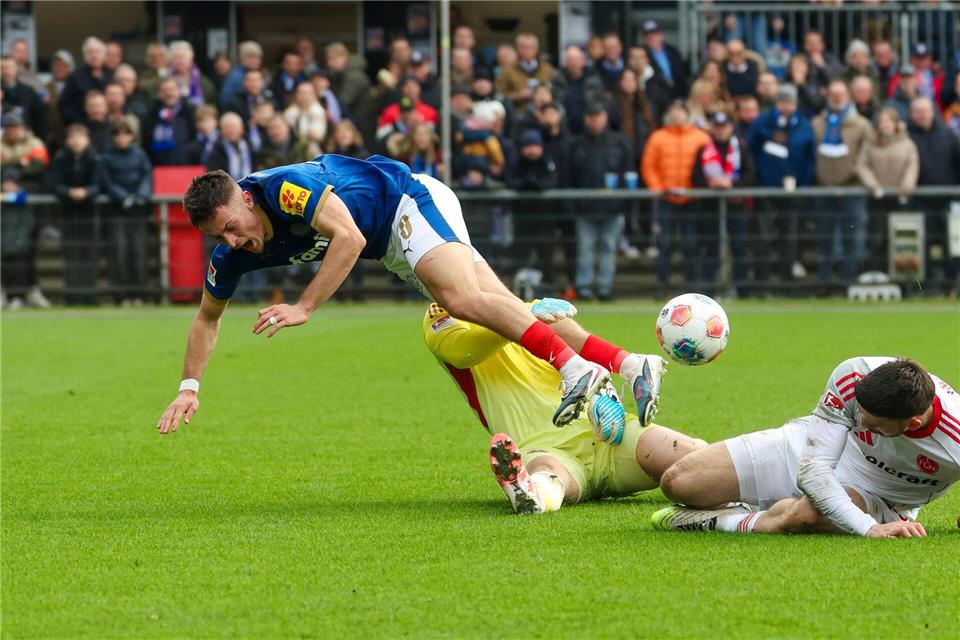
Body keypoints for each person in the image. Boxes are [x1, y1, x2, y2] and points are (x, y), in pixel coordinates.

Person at [156, 154, 667, 435]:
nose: (231, 242)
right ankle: (627, 364)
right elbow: (206, 318)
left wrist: (304, 306)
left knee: (463, 302)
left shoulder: (284, 189)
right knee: (505, 310)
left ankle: (574, 369)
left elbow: (349, 237)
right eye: (217, 238)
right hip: (394, 242)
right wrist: (189, 387)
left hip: (407, 200)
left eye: (231, 226)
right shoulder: (233, 255)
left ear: (245, 197)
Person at [422, 300, 698, 514]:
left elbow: (586, 355)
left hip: (610, 441)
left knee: (693, 455)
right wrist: (515, 319)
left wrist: (608, 395)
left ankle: (733, 478)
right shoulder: (440, 314)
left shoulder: (534, 308)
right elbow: (461, 351)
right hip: (543, 447)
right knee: (546, 476)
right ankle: (528, 495)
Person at [652, 357, 959, 538]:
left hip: (879, 497)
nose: (859, 422)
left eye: (873, 425)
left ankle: (724, 521)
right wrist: (867, 529)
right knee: (679, 482)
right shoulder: (855, 373)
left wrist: (870, 526)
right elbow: (813, 471)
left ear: (913, 424)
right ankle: (759, 504)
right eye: (859, 412)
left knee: (806, 515)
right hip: (814, 448)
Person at [747, 84, 816, 284]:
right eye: (783, 101)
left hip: (793, 192)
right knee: (764, 236)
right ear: (777, 103)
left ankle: (787, 281)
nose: (787, 106)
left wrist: (801, 183)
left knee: (790, 237)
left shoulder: (804, 126)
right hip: (766, 190)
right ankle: (763, 280)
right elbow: (751, 152)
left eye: (791, 102)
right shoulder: (763, 123)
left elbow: (810, 159)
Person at [641, 100, 711, 291]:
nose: (677, 115)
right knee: (665, 244)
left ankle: (691, 285)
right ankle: (662, 285)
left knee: (691, 243)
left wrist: (700, 188)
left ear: (687, 114)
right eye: (673, 111)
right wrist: (658, 188)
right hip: (667, 199)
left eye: (680, 111)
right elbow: (649, 165)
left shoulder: (701, 137)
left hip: (692, 199)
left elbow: (709, 163)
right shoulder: (658, 137)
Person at [568, 103, 633, 301]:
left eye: (598, 115)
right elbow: (569, 176)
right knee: (585, 249)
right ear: (586, 118)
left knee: (608, 248)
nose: (595, 120)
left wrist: (624, 203)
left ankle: (605, 288)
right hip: (585, 208)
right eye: (591, 115)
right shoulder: (576, 144)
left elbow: (628, 174)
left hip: (612, 208)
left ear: (605, 117)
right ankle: (584, 288)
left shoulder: (619, 142)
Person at [812, 79, 871, 285]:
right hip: (824, 189)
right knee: (824, 237)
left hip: (851, 189)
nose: (837, 98)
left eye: (841, 94)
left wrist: (854, 172)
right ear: (827, 96)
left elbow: (866, 155)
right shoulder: (817, 123)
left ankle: (849, 281)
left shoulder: (861, 124)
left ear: (848, 97)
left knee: (851, 238)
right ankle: (825, 282)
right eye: (833, 94)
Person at [692, 111, 755, 296]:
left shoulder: (741, 148)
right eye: (717, 127)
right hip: (711, 206)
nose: (721, 131)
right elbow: (696, 177)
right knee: (711, 248)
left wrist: (731, 184)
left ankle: (742, 290)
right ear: (713, 128)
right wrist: (711, 184)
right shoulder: (704, 150)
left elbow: (750, 174)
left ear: (730, 127)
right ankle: (710, 291)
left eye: (724, 126)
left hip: (736, 205)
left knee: (739, 247)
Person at [907, 97, 960, 295]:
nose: (922, 115)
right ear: (912, 115)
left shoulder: (947, 134)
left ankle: (951, 285)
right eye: (918, 111)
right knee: (923, 246)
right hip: (921, 200)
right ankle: (928, 287)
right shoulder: (908, 135)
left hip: (947, 200)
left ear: (932, 112)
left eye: (925, 111)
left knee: (951, 246)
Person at [855, 108, 919, 273]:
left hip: (900, 199)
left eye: (889, 121)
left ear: (897, 124)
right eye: (882, 122)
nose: (885, 125)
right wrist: (873, 186)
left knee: (900, 240)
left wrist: (906, 188)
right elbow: (862, 166)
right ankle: (878, 275)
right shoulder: (870, 143)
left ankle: (902, 280)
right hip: (877, 199)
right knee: (876, 240)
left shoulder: (907, 143)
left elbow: (912, 166)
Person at [100, 117, 153, 305]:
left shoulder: (139, 155)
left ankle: (138, 294)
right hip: (117, 210)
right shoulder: (107, 157)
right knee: (119, 253)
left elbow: (147, 176)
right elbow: (106, 182)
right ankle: (121, 295)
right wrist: (123, 197)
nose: (122, 138)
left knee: (138, 253)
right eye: (118, 134)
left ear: (132, 136)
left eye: (126, 134)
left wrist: (140, 195)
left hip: (137, 211)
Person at [50, 124, 101, 306]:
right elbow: (55, 183)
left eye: (80, 137)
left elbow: (98, 183)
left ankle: (89, 296)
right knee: (71, 255)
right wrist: (69, 192)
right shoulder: (61, 158)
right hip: (69, 213)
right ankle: (72, 296)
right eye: (73, 137)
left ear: (87, 140)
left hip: (88, 212)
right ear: (67, 140)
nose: (77, 141)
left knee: (88, 255)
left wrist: (86, 192)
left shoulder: (94, 158)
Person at [496, 33, 557, 113]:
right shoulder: (508, 70)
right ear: (518, 49)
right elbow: (499, 95)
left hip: (544, 115)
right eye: (523, 47)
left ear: (537, 49)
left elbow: (557, 91)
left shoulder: (547, 69)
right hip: (518, 115)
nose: (527, 50)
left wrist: (545, 93)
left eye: (531, 47)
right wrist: (520, 95)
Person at [59, 37, 113, 125]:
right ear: (84, 56)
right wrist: (79, 123)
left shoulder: (112, 76)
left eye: (97, 52)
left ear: (104, 56)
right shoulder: (75, 77)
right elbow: (64, 105)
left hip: (108, 127)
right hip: (82, 128)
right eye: (90, 52)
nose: (94, 56)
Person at [143, 77, 196, 166]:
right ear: (159, 94)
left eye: (172, 89)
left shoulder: (190, 112)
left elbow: (195, 140)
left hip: (186, 166)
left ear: (179, 91)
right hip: (159, 167)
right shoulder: (151, 115)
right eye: (165, 90)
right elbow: (147, 142)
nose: (169, 93)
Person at [557, 45, 604, 137]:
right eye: (570, 60)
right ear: (565, 62)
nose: (573, 63)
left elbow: (600, 103)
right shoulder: (557, 81)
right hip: (564, 129)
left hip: (588, 129)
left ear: (583, 61)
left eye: (576, 59)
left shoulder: (594, 80)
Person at [1, 56, 45, 140]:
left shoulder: (28, 91)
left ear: (16, 69)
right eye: (3, 68)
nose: (6, 71)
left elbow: (38, 119)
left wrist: (39, 139)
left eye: (9, 67)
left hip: (25, 138)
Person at [643, 20, 689, 99]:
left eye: (654, 33)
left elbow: (682, 74)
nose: (651, 37)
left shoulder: (673, 51)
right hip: (656, 96)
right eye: (648, 35)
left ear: (661, 35)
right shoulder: (643, 54)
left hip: (677, 94)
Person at [283, 82, 328, 156]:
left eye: (306, 93)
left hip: (313, 152)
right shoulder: (290, 112)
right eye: (300, 93)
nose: (304, 96)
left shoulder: (318, 111)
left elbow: (318, 136)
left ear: (314, 95)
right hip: (292, 151)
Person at [205, 112, 253, 179]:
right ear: (221, 131)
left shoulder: (252, 148)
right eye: (227, 127)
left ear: (242, 129)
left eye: (234, 127)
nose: (231, 131)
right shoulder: (215, 152)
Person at [168, 41, 216, 108]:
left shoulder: (204, 83)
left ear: (191, 60)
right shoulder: (164, 81)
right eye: (176, 58)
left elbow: (211, 106)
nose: (180, 61)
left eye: (183, 57)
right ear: (171, 60)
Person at [219, 41, 263, 108]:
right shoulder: (236, 76)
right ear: (242, 58)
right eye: (250, 57)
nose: (254, 60)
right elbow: (225, 100)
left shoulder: (257, 73)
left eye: (257, 57)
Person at [784, 53, 824, 118]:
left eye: (801, 66)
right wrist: (795, 85)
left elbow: (818, 106)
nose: (798, 68)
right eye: (795, 66)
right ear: (790, 70)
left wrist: (803, 85)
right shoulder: (785, 84)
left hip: (811, 118)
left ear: (808, 70)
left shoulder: (815, 83)